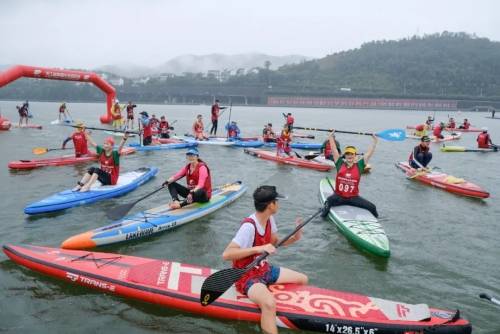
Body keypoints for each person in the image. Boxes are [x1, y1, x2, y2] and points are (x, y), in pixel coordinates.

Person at [222, 185, 307, 334]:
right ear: (270, 205)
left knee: (302, 279)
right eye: (276, 201)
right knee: (269, 304)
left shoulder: (270, 219)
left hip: (264, 270)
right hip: (246, 276)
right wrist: (258, 249)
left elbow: (274, 242)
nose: (278, 204)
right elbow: (227, 254)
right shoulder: (248, 227)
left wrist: (296, 237)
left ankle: (291, 317)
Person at [321, 130, 379, 218]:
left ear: (355, 155)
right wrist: (330, 137)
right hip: (339, 196)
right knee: (328, 202)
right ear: (345, 155)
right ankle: (322, 220)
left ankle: (376, 221)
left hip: (353, 198)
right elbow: (334, 150)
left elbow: (368, 154)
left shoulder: (359, 165)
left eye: (351, 154)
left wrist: (375, 141)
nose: (349, 156)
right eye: (347, 154)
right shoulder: (340, 163)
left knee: (372, 207)